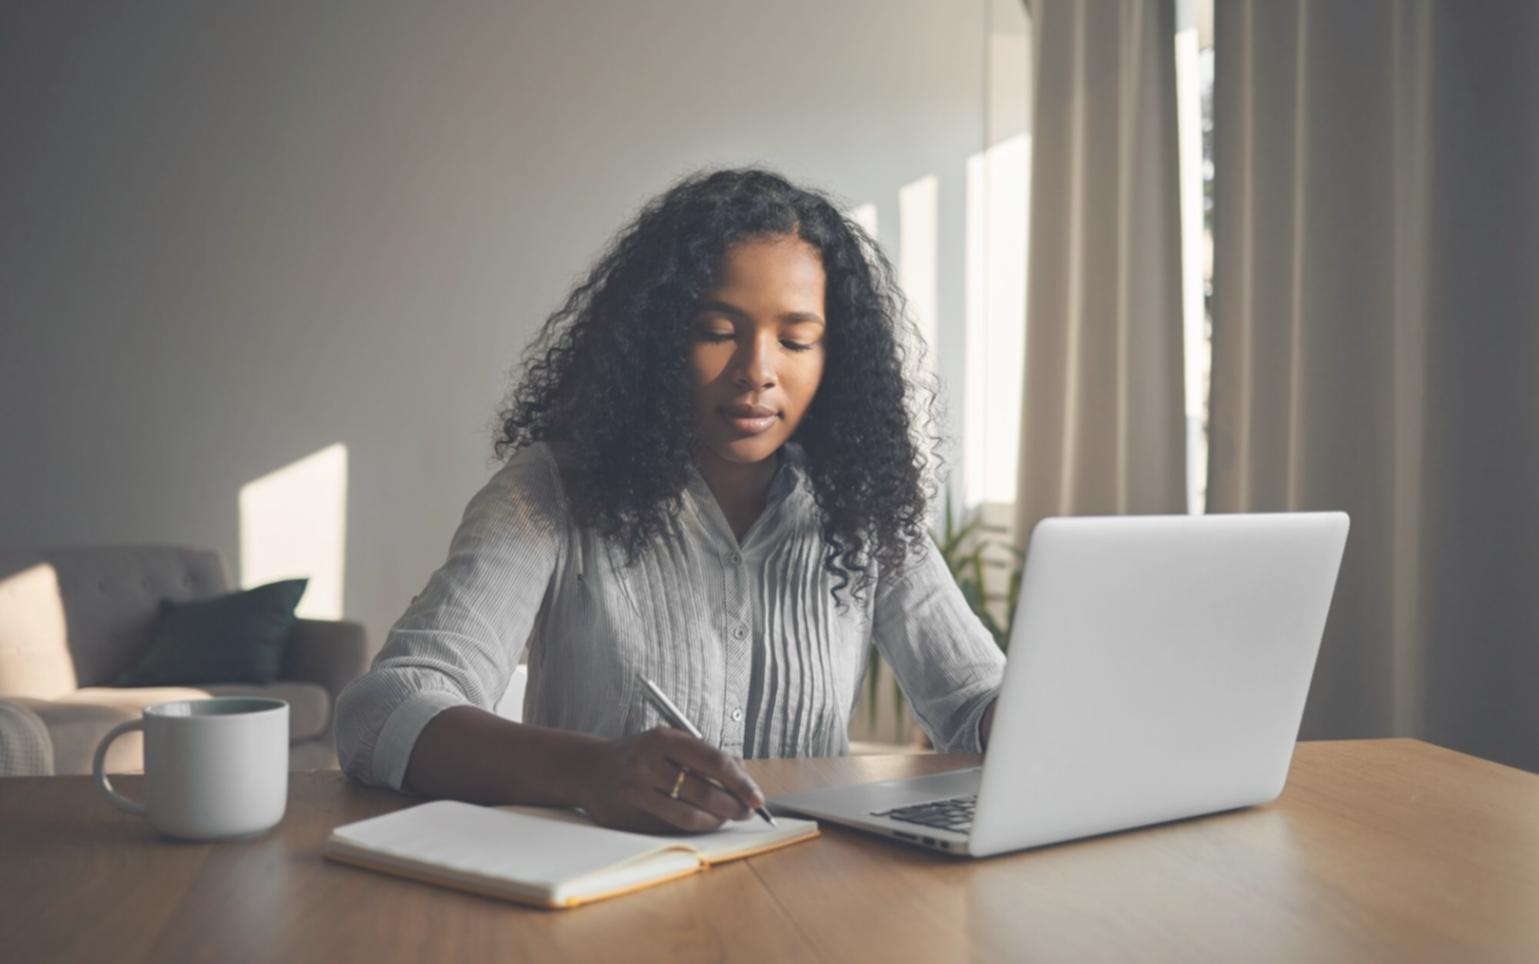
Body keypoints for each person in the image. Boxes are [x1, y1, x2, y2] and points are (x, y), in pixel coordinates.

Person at [335, 167, 1005, 834]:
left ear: (836, 358)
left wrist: (1024, 722)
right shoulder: (550, 493)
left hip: (803, 898)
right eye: (716, 330)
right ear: (655, 340)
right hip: (599, 896)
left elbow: (975, 698)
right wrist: (587, 771)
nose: (756, 370)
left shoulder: (861, 510)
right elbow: (382, 710)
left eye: (795, 340)